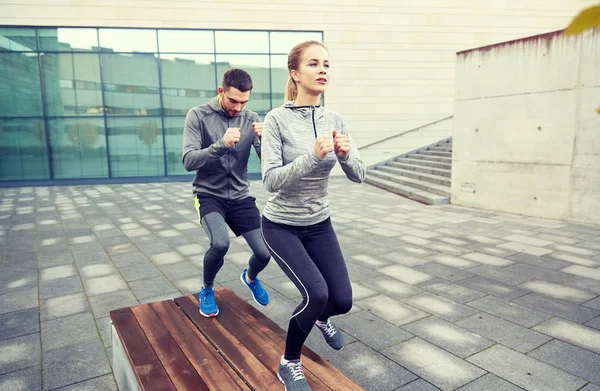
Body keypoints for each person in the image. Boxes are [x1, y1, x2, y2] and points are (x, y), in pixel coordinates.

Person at [260, 41, 366, 390]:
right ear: (295, 73)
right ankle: (288, 362)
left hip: (319, 223)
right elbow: (271, 181)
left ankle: (322, 319)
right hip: (281, 226)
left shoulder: (335, 119)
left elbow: (359, 175)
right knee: (316, 293)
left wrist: (347, 155)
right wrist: (311, 156)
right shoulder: (276, 119)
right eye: (314, 64)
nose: (323, 70)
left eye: (327, 65)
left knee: (342, 300)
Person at [182, 68, 271, 317]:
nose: (238, 108)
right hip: (209, 194)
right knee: (220, 244)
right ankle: (207, 289)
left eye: (244, 102)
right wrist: (222, 144)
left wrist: (266, 142)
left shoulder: (250, 118)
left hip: (240, 196)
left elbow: (268, 163)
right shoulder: (198, 116)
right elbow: (189, 160)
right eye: (233, 100)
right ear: (221, 91)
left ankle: (250, 277)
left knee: (265, 252)